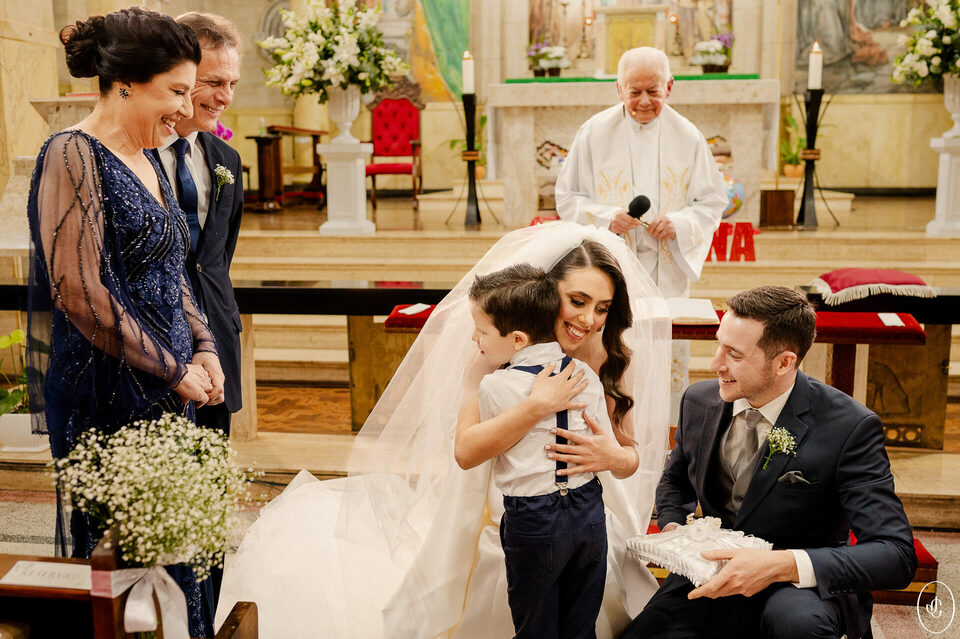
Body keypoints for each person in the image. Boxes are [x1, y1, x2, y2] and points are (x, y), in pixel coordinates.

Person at [217, 222, 672, 638]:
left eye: (602, 308)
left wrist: (613, 457)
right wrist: (536, 406)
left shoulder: (607, 357)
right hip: (509, 508)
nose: (588, 319)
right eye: (577, 301)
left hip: (587, 510)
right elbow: (467, 447)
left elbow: (630, 456)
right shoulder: (496, 352)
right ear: (544, 294)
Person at [26, 8, 223, 636]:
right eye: (176, 92)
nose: (186, 109)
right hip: (105, 390)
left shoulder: (149, 155)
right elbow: (79, 292)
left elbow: (171, 269)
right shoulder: (71, 154)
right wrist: (172, 369)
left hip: (167, 382)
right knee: (124, 560)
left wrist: (203, 346)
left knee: (173, 550)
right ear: (124, 85)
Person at [619, 286, 917, 639]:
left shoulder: (849, 426)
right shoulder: (698, 401)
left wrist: (781, 565)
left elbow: (895, 554)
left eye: (734, 354)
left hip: (799, 586)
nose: (716, 364)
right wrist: (675, 528)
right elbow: (676, 479)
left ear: (784, 363)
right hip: (715, 574)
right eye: (719, 345)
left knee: (799, 627)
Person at [555, 46, 726, 422]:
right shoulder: (594, 132)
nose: (644, 101)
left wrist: (679, 223)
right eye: (635, 92)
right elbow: (567, 196)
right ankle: (602, 427)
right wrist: (606, 218)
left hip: (667, 275)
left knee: (662, 366)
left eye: (654, 91)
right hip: (607, 272)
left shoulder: (688, 136)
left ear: (670, 87)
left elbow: (713, 200)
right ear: (619, 89)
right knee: (611, 356)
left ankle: (666, 433)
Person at [458, 264, 614, 638]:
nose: (475, 339)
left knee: (535, 624)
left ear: (517, 339)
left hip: (533, 519)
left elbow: (482, 448)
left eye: (481, 331)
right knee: (581, 624)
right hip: (589, 511)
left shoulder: (495, 386)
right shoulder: (585, 374)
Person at [154, 11, 244, 435]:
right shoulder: (132, 158)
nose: (226, 98)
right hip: (154, 349)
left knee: (212, 464)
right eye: (214, 82)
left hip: (218, 346)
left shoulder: (228, 160)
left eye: (233, 84)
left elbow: (219, 257)